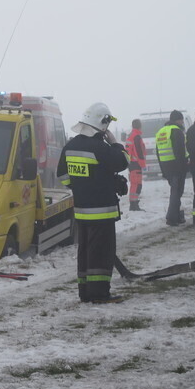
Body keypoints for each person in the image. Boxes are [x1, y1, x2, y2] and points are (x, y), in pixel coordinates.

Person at [57, 103, 129, 304]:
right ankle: (99, 294)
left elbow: (62, 175)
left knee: (86, 252)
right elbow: (123, 162)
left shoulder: (70, 146)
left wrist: (83, 186)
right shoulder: (101, 147)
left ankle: (85, 292)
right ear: (103, 122)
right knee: (101, 253)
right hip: (102, 211)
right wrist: (115, 143)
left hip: (81, 210)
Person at [156, 110, 189, 227]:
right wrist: (184, 168)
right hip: (177, 167)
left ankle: (176, 216)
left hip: (167, 167)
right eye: (181, 119)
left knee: (175, 192)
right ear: (177, 120)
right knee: (176, 193)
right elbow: (179, 152)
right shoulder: (176, 131)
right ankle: (172, 218)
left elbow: (158, 153)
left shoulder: (161, 132)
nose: (182, 122)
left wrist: (163, 170)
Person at [125, 119, 147, 211]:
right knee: (137, 185)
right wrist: (142, 164)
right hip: (136, 163)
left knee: (134, 184)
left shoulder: (131, 135)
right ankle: (134, 205)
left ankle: (133, 204)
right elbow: (139, 152)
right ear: (139, 126)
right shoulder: (136, 136)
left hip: (131, 163)